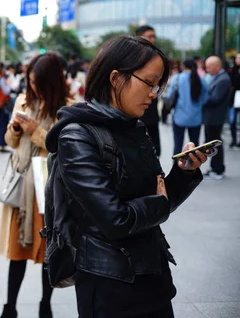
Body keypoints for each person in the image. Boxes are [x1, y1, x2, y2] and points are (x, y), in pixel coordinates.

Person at [45, 35, 207, 318]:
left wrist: (185, 172)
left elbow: (160, 196)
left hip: (153, 274)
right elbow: (116, 220)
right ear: (116, 78)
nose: (154, 93)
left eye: (158, 85)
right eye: (149, 82)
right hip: (109, 283)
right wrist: (157, 203)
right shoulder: (76, 136)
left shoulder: (134, 128)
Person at [0, 53, 69, 318]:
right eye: (30, 81)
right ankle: (10, 307)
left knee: (46, 252)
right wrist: (16, 129)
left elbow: (64, 147)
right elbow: (10, 141)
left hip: (47, 189)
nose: (34, 87)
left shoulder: (68, 107)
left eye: (38, 82)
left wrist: (36, 131)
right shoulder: (23, 100)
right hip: (22, 187)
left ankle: (45, 304)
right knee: (16, 252)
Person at [166, 59, 208, 155]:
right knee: (195, 146)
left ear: (184, 66)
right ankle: (194, 166)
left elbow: (169, 96)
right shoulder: (201, 79)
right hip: (196, 117)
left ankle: (177, 167)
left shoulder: (177, 78)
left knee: (178, 145)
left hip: (179, 117)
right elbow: (205, 97)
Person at [202, 56, 232, 179]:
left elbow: (216, 99)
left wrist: (201, 98)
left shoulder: (223, 79)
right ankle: (215, 168)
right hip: (212, 117)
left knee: (215, 143)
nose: (207, 69)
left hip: (215, 117)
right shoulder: (219, 78)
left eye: (209, 67)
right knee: (212, 143)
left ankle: (218, 169)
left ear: (217, 66)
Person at [136, 25, 161, 156]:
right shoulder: (131, 59)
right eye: (149, 36)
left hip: (151, 113)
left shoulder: (157, 58)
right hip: (135, 114)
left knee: (154, 151)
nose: (153, 40)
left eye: (154, 37)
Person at [229, 53, 240, 148]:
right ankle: (234, 139)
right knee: (232, 121)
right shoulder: (233, 70)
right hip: (234, 98)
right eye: (237, 58)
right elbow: (233, 83)